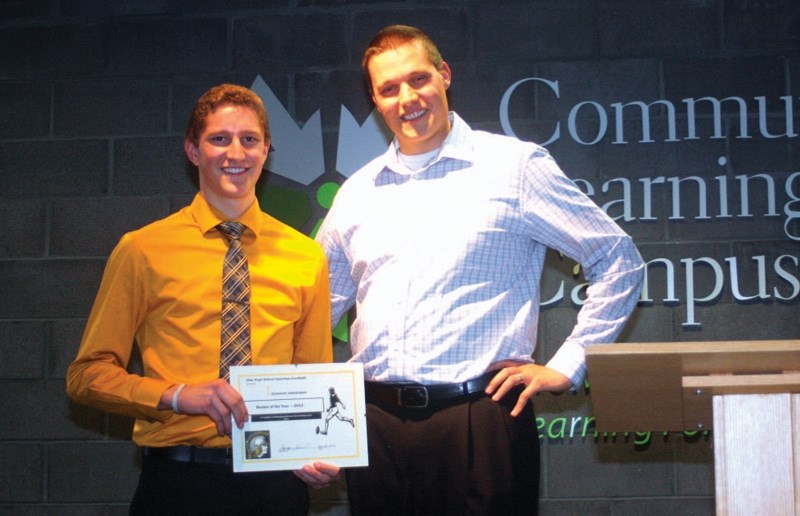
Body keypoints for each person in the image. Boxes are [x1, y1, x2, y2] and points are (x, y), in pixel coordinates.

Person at [315, 25, 645, 515]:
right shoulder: (356, 193)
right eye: (389, 88)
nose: (407, 98)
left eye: (418, 79)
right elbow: (311, 315)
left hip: (480, 422)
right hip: (374, 425)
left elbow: (618, 259)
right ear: (375, 99)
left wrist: (568, 364)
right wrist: (302, 425)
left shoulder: (514, 166)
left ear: (444, 76)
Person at [66, 83, 340, 515]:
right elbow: (87, 376)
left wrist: (320, 450)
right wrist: (177, 396)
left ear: (267, 150)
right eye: (219, 139)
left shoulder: (306, 256)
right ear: (193, 151)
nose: (236, 152)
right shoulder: (143, 249)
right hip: (178, 484)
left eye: (249, 139)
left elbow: (313, 378)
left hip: (274, 488)